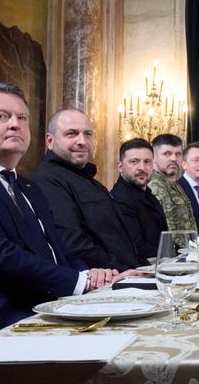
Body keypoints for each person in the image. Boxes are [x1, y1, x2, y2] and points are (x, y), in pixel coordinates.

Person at [0, 83, 120, 331]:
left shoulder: (28, 187)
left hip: (49, 306)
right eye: (1, 116)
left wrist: (96, 275)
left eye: (22, 118)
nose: (15, 124)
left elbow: (57, 250)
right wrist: (80, 281)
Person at [31, 108, 140, 271]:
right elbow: (73, 243)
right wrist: (120, 270)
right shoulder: (48, 179)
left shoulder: (85, 179)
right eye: (71, 134)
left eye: (88, 134)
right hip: (105, 283)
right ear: (50, 141)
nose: (82, 141)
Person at [111, 138, 169, 262]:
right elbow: (138, 249)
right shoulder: (119, 200)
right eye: (134, 162)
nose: (142, 167)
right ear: (120, 167)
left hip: (162, 265)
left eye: (147, 162)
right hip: (141, 273)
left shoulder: (148, 194)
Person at [147, 133, 198, 234]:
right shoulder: (155, 186)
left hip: (189, 248)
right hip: (175, 249)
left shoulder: (172, 184)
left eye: (178, 154)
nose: (174, 159)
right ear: (154, 157)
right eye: (167, 154)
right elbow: (166, 233)